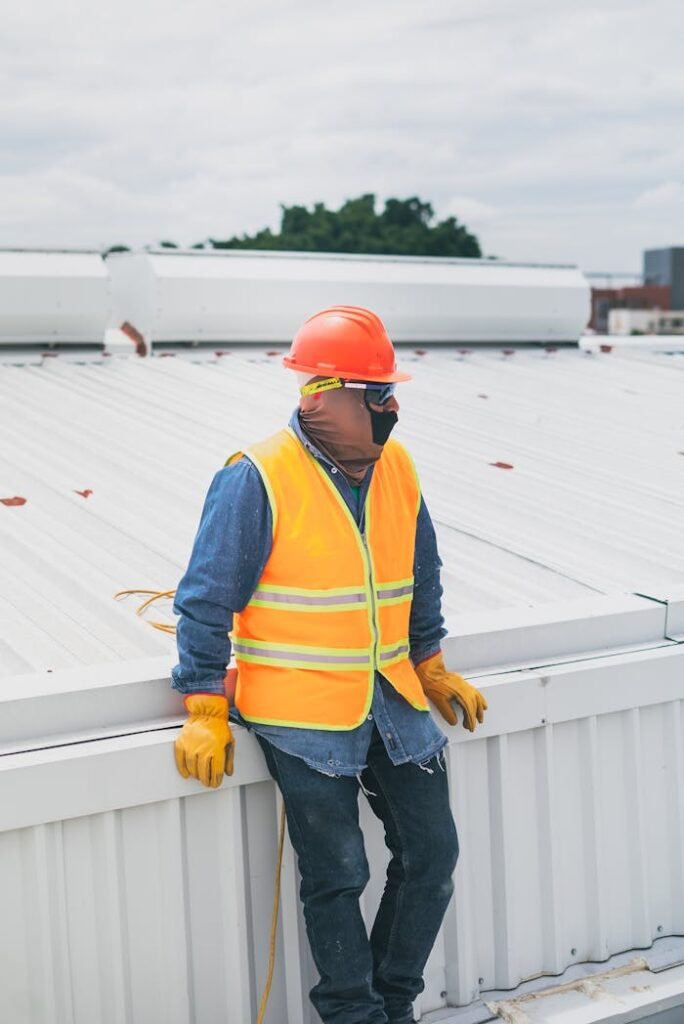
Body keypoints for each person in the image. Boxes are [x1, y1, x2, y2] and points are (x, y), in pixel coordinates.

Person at [172, 305, 488, 1024]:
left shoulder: (397, 467)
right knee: (338, 874)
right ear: (325, 393)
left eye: (390, 393)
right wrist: (203, 707)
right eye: (377, 395)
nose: (391, 408)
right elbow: (204, 600)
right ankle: (354, 1015)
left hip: (393, 698)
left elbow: (421, 575)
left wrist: (431, 665)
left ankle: (392, 1004)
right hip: (301, 713)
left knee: (433, 855)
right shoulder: (256, 477)